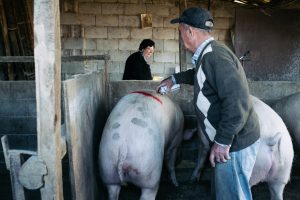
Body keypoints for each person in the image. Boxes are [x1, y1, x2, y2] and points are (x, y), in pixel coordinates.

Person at [156, 7, 260, 200]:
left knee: (232, 195)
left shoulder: (214, 56)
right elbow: (200, 74)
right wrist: (174, 79)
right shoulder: (209, 54)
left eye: (180, 31)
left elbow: (237, 101)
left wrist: (222, 141)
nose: (180, 36)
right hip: (231, 140)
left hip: (234, 144)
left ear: (190, 31)